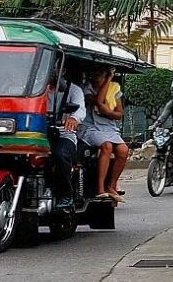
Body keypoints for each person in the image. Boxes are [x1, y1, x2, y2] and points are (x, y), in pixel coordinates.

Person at [82, 69, 129, 202]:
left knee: (123, 150)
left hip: (109, 128)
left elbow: (119, 114)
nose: (96, 78)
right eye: (94, 75)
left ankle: (112, 185)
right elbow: (99, 101)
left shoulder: (115, 89)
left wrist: (108, 112)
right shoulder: (87, 89)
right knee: (107, 146)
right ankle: (100, 188)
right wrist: (107, 80)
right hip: (91, 128)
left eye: (100, 75)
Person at [50, 71, 87, 209]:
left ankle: (65, 194)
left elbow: (80, 110)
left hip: (63, 134)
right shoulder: (33, 88)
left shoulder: (73, 90)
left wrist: (73, 118)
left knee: (60, 155)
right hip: (37, 134)